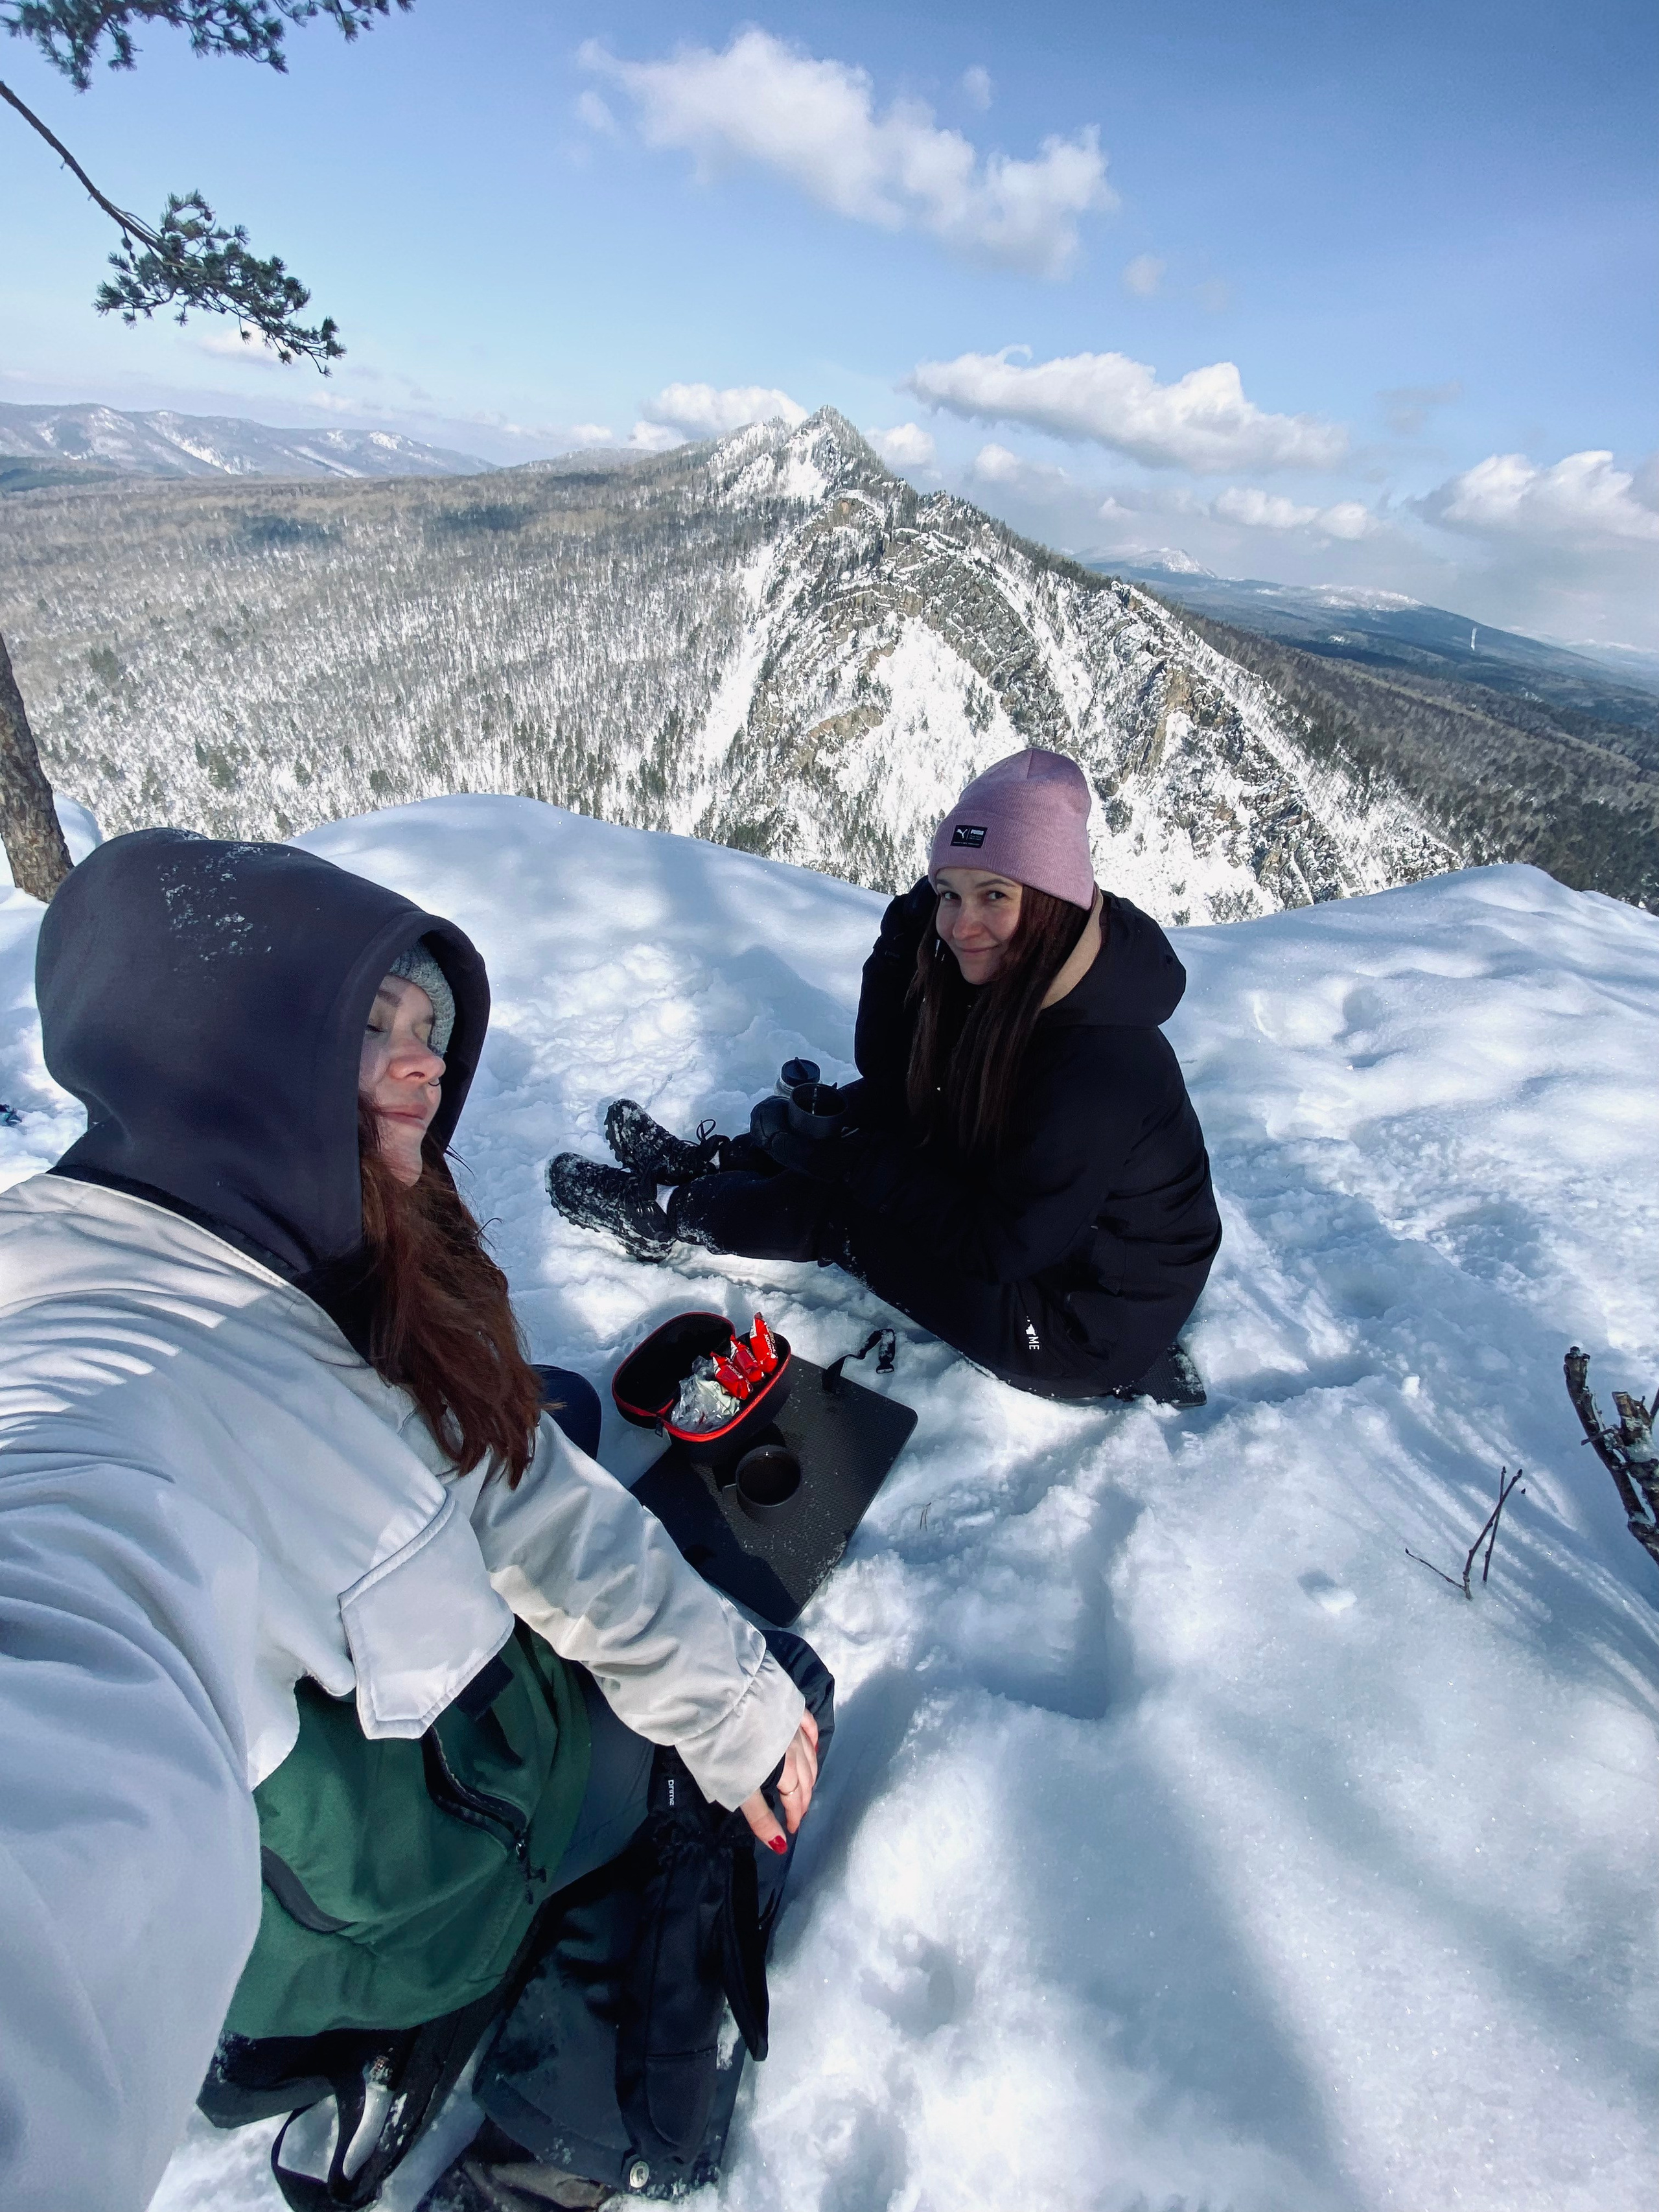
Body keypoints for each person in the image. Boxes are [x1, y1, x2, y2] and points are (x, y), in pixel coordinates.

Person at [0, 829, 820, 2212]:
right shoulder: (124, 1427)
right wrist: (730, 1698)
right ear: (228, 1056)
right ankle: (576, 2136)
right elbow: (70, 1675)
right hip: (378, 1881)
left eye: (429, 1024)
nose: (427, 1062)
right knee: (766, 1701)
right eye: (368, 1024)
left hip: (298, 1818)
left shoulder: (131, 1220)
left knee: (535, 1404)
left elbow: (478, 1454)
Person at [550, 748, 1221, 1401]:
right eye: (947, 894)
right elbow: (895, 1075)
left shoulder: (1100, 1066)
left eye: (995, 893)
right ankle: (705, 1165)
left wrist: (852, 1163)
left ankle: (668, 1214)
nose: (964, 924)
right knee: (865, 1108)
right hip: (1047, 1236)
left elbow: (1001, 1246)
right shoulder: (1032, 975)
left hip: (1073, 1321)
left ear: (1053, 901)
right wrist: (899, 945)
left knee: (847, 1206)